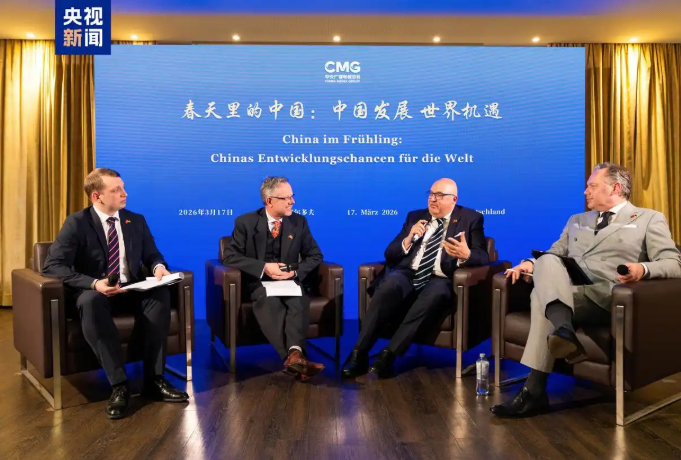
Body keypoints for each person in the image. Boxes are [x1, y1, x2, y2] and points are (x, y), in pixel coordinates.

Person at [491, 162, 681, 418]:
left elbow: (674, 263)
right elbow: (554, 253)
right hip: (568, 290)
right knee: (546, 260)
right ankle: (563, 331)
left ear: (615, 188)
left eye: (592, 186)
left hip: (608, 296)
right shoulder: (577, 220)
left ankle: (534, 390)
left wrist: (642, 269)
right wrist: (529, 264)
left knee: (540, 297)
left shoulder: (648, 218)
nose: (585, 192)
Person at [42, 168, 189, 420]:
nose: (125, 193)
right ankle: (120, 385)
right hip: (96, 293)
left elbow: (152, 254)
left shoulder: (135, 220)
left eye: (123, 187)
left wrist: (158, 267)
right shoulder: (77, 223)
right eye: (116, 190)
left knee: (160, 295)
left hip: (130, 289)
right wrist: (94, 283)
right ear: (96, 196)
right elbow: (53, 266)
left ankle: (154, 380)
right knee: (90, 301)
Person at [342, 178, 489, 378]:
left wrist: (467, 254)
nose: (433, 199)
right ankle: (359, 354)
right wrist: (409, 238)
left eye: (439, 195)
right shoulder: (415, 216)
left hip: (441, 277)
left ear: (454, 199)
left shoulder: (471, 218)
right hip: (408, 273)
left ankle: (389, 355)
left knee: (435, 294)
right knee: (388, 285)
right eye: (431, 194)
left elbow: (483, 256)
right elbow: (389, 254)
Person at [222, 176, 325, 380]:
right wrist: (264, 268)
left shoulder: (299, 222)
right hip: (259, 282)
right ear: (269, 201)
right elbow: (230, 256)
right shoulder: (245, 222)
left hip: (289, 281)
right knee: (270, 303)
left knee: (298, 301)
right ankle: (295, 358)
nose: (292, 201)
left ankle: (294, 357)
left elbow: (315, 255)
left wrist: (295, 272)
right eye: (286, 198)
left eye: (292, 196)